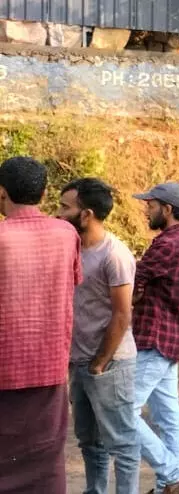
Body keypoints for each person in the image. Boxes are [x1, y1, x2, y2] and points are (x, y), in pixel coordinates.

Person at [0, 157, 82, 494]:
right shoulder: (66, 233)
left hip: (4, 367)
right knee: (46, 459)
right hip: (49, 364)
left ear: (2, 193)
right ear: (45, 192)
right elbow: (75, 280)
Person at [58, 178, 140, 494]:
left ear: (86, 214)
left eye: (66, 207)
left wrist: (100, 363)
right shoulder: (73, 249)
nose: (59, 213)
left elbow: (122, 315)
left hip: (111, 364)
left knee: (121, 440)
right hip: (80, 362)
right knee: (89, 441)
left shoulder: (114, 254)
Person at [131, 182, 179, 494]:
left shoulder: (166, 245)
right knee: (168, 414)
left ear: (167, 209)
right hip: (170, 337)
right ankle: (166, 486)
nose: (148, 210)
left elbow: (133, 283)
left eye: (151, 205)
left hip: (154, 337)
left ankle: (172, 474)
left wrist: (135, 291)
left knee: (122, 412)